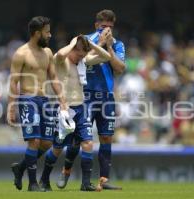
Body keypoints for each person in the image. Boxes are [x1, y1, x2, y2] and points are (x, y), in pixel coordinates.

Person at [56, 9, 126, 190]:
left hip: (106, 96)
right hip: (84, 95)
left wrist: (108, 46)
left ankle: (104, 179)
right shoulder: (84, 41)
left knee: (106, 137)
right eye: (103, 26)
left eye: (110, 27)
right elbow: (80, 59)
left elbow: (119, 68)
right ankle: (66, 171)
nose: (107, 30)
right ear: (96, 25)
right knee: (77, 138)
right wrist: (100, 43)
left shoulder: (118, 45)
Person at [39, 35, 112, 191]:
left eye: (83, 54)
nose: (81, 57)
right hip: (64, 110)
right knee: (57, 149)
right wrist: (73, 42)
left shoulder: (83, 62)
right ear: (72, 50)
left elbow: (106, 56)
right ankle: (44, 180)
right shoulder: (62, 62)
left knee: (88, 143)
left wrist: (92, 43)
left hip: (81, 109)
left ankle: (85, 184)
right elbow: (59, 55)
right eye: (79, 53)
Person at [7, 16, 67, 192]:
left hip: (44, 100)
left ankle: (21, 168)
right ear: (36, 33)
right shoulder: (21, 54)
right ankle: (32, 184)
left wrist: (62, 100)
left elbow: (54, 77)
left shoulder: (47, 52)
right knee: (34, 141)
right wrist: (11, 107)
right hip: (28, 99)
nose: (50, 34)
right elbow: (13, 82)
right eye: (47, 32)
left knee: (47, 143)